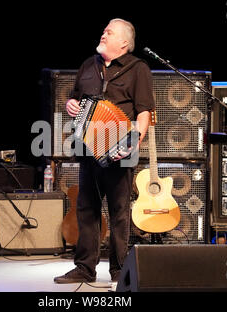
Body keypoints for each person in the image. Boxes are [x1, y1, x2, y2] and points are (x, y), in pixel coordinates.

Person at [54, 18, 155, 284]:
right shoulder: (89, 64)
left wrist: (135, 140)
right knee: (86, 208)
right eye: (103, 31)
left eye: (108, 32)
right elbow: (74, 97)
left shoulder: (138, 69)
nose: (103, 34)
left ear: (124, 42)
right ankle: (85, 268)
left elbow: (144, 110)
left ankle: (119, 270)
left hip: (120, 149)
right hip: (88, 147)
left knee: (119, 212)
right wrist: (70, 105)